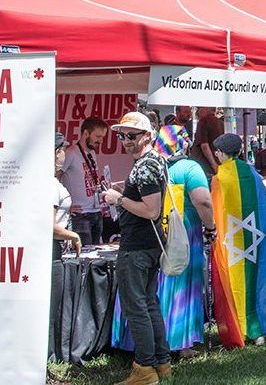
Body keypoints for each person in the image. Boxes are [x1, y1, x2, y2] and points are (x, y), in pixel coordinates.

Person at [114, 124, 217, 356]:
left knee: (150, 294)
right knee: (182, 287)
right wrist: (211, 227)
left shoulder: (150, 165)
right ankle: (180, 343)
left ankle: (143, 346)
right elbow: (203, 201)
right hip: (184, 233)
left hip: (154, 233)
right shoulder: (190, 168)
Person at [101, 112, 171, 385]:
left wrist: (119, 199)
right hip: (149, 245)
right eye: (122, 135)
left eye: (131, 135)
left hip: (138, 247)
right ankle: (161, 363)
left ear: (146, 136)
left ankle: (144, 369)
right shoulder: (154, 161)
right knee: (149, 304)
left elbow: (151, 210)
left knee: (137, 308)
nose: (125, 141)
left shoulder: (144, 166)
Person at [61, 117, 108, 247]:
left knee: (95, 256)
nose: (100, 140)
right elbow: (56, 177)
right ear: (86, 133)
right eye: (98, 136)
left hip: (96, 212)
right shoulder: (71, 152)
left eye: (103, 137)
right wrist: (65, 206)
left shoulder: (92, 152)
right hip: (80, 215)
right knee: (83, 258)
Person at [53, 134, 83, 259]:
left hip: (57, 248)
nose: (65, 155)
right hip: (52, 249)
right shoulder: (50, 185)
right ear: (57, 153)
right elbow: (50, 226)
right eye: (64, 151)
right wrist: (73, 236)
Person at [190, 107, 224, 176]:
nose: (197, 112)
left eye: (199, 108)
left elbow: (204, 146)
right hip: (218, 164)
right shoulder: (221, 123)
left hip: (204, 167)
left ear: (206, 108)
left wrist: (214, 165)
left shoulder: (204, 121)